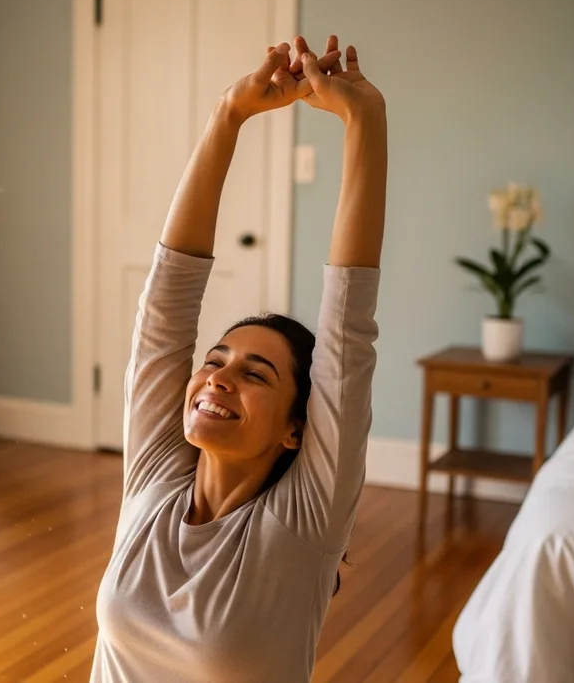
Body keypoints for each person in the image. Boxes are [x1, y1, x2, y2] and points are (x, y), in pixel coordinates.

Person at [91, 34, 388, 683]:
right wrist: (229, 114)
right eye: (217, 359)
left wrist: (365, 120)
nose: (218, 377)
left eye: (256, 374)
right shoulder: (155, 480)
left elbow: (348, 324)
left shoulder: (301, 527)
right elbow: (165, 311)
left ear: (296, 429)